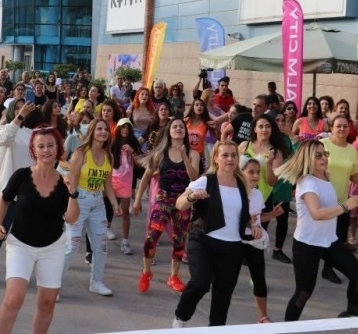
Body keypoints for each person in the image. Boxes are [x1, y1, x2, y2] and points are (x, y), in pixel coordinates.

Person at [0, 126, 80, 334]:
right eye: (41, 146)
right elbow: (3, 200)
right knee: (13, 298)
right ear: (34, 150)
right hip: (20, 244)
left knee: (47, 301)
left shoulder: (64, 181)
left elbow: (71, 218)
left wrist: (73, 192)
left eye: (51, 145)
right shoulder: (21, 176)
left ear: (58, 148)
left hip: (53, 247)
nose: (46, 150)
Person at [275, 140, 358, 321]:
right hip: (307, 244)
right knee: (303, 293)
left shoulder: (324, 177)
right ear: (308, 158)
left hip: (329, 241)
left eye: (324, 154)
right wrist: (345, 206)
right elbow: (317, 213)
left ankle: (351, 316)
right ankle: (286, 329)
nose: (324, 158)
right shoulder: (307, 182)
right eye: (318, 155)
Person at [171, 140, 259, 327]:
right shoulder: (206, 180)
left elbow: (242, 214)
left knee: (223, 293)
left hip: (232, 246)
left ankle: (216, 329)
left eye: (233, 155)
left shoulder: (242, 184)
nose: (230, 159)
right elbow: (179, 204)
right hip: (203, 240)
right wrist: (191, 197)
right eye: (225, 155)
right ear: (216, 159)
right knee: (200, 283)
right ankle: (180, 318)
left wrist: (253, 224)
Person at [0, 101, 43, 288]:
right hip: (9, 193)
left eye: (27, 107)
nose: (24, 109)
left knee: (28, 236)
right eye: (19, 107)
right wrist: (19, 117)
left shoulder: (35, 134)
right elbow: (4, 140)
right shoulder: (4, 130)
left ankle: (20, 273)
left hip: (31, 194)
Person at [133, 118, 199, 292]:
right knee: (152, 236)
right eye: (174, 127)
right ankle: (146, 272)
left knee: (179, 240)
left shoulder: (193, 154)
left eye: (181, 126)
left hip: (183, 200)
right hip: (163, 198)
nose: (178, 129)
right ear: (169, 132)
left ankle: (174, 276)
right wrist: (138, 198)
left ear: (185, 131)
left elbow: (194, 178)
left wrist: (184, 156)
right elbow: (146, 176)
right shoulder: (160, 153)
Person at [61, 118, 122, 297]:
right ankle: (53, 285)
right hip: (79, 200)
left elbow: (108, 184)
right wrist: (71, 202)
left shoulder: (108, 155)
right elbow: (71, 179)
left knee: (101, 246)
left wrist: (114, 203)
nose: (103, 132)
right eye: (99, 128)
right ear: (92, 131)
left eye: (105, 129)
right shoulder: (81, 152)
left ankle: (96, 282)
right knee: (71, 246)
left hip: (98, 203)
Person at [238, 114, 291, 264]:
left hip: (262, 199)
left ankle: (255, 270)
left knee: (257, 236)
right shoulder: (243, 146)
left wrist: (268, 165)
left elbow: (273, 181)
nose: (264, 129)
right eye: (260, 126)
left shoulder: (276, 153)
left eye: (267, 126)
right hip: (241, 196)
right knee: (238, 230)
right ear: (254, 128)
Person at [319, 115, 358, 284]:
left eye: (345, 126)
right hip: (322, 200)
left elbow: (354, 176)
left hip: (342, 201)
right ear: (332, 128)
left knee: (337, 238)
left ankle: (328, 269)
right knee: (319, 236)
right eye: (338, 126)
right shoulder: (323, 145)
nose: (342, 129)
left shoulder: (352, 150)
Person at [242, 158, 285, 323]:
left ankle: (263, 316)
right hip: (237, 241)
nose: (255, 176)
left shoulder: (258, 194)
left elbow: (259, 218)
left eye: (258, 172)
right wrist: (249, 222)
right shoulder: (236, 193)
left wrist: (273, 214)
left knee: (259, 277)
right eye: (251, 172)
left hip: (255, 241)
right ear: (241, 173)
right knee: (227, 279)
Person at [109, 118, 142, 255]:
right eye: (123, 128)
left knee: (125, 213)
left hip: (126, 182)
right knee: (109, 209)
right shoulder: (112, 145)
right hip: (112, 180)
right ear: (118, 129)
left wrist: (132, 151)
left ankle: (125, 241)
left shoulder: (133, 144)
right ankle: (105, 230)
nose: (125, 131)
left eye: (128, 129)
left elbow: (140, 164)